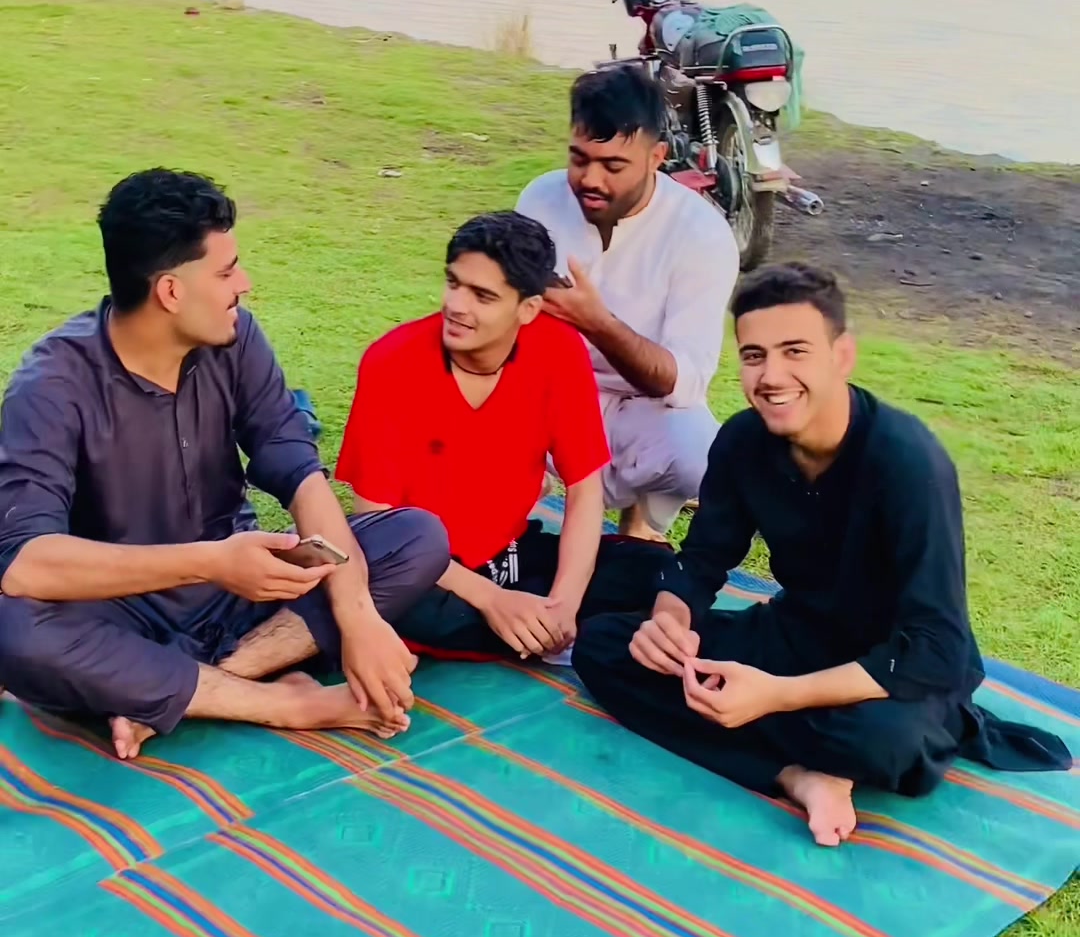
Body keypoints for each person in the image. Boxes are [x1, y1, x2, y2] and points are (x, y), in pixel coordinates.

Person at [574, 262, 1070, 847]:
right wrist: (669, 621)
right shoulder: (743, 440)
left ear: (841, 356)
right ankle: (796, 774)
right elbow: (702, 558)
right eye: (754, 356)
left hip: (895, 664)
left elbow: (936, 647)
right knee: (606, 645)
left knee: (886, 742)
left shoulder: (907, 461)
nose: (771, 376)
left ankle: (808, 734)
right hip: (797, 635)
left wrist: (774, 695)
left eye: (795, 352)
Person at [0, 170, 450, 757]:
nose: (244, 284)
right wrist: (210, 562)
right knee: (13, 629)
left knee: (415, 537)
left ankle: (190, 685)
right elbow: (24, 565)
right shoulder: (51, 386)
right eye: (226, 271)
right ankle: (284, 704)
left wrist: (357, 612)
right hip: (124, 606)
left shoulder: (236, 338)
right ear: (170, 292)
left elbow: (299, 472)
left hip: (242, 595)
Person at [335, 212, 668, 662]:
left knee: (657, 572)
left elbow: (584, 489)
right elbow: (376, 523)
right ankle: (525, 631)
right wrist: (492, 601)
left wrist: (564, 605)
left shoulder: (558, 349)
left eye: (483, 296)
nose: (456, 305)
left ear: (528, 308)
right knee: (379, 597)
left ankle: (534, 629)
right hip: (423, 573)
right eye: (453, 283)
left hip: (509, 556)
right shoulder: (391, 363)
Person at [515, 63, 739, 539]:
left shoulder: (702, 235)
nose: (591, 180)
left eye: (613, 166)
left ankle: (640, 523)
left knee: (702, 453)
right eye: (579, 159)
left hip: (643, 406)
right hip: (548, 393)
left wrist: (598, 323)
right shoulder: (541, 198)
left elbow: (683, 383)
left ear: (657, 157)